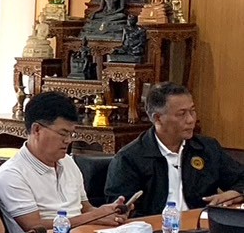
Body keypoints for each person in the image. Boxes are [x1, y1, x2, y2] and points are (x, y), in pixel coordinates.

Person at [0, 93, 128, 233]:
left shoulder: (67, 162)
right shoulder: (12, 174)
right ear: (37, 130)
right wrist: (94, 217)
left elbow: (86, 209)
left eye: (71, 134)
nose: (68, 140)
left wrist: (109, 213)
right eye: (63, 133)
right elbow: (34, 226)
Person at [104, 83, 244, 216]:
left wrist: (234, 193)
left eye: (192, 111)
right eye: (181, 114)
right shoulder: (129, 158)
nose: (191, 120)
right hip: (154, 229)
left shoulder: (206, 148)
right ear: (158, 118)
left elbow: (240, 179)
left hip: (200, 225)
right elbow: (120, 211)